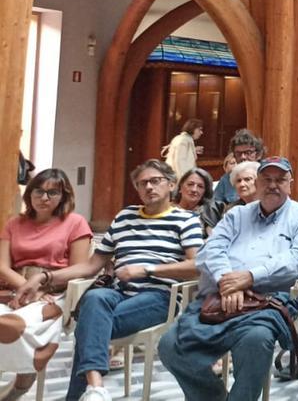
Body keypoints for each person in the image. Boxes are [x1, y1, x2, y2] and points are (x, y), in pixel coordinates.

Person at [17, 160, 201, 401]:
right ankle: (96, 388)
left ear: (171, 184)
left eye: (155, 181)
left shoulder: (185, 220)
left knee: (89, 326)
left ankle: (86, 392)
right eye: (142, 183)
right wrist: (45, 277)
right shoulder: (125, 217)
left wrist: (147, 270)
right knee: (94, 298)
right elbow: (92, 265)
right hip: (116, 292)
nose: (149, 187)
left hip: (158, 296)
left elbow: (197, 266)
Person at [159, 157, 298, 401]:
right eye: (267, 179)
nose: (273, 185)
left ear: (291, 184)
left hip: (268, 302)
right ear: (258, 183)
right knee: (170, 346)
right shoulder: (236, 216)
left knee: (256, 341)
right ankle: (213, 397)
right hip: (219, 297)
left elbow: (297, 260)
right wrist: (228, 281)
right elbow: (209, 252)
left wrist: (249, 277)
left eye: (280, 180)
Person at [0, 169, 91, 397]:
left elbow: (80, 268)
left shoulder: (75, 223)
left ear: (64, 196)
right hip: (13, 287)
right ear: (29, 194)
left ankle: (19, 387)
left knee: (21, 326)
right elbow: (2, 266)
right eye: (39, 191)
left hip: (54, 291)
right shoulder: (14, 223)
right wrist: (28, 288)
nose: (45, 198)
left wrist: (41, 288)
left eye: (53, 192)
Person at [213, 130, 265, 205]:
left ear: (258, 154)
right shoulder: (226, 179)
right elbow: (214, 206)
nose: (243, 157)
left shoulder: (267, 176)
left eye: (248, 153)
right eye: (238, 153)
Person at [175, 167, 219, 232]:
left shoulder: (208, 213)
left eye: (200, 186)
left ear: (205, 192)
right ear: (180, 187)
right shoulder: (166, 210)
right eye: (190, 184)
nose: (194, 189)